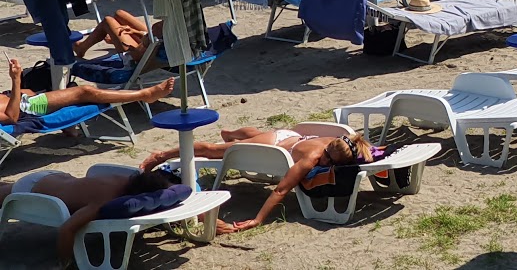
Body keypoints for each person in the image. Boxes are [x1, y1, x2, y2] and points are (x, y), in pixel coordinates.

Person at [141, 127, 374, 231]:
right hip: (274, 147)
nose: (326, 164)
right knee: (214, 150)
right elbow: (282, 190)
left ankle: (234, 133)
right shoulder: (313, 158)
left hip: (289, 137)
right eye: (327, 160)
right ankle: (161, 154)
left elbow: (369, 151)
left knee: (251, 137)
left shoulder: (342, 142)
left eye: (331, 163)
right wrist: (258, 219)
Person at [0, 168, 235, 259]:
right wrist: (65, 262)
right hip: (32, 189)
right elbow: (67, 229)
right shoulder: (103, 199)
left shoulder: (128, 177)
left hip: (57, 178)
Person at [2, 59, 173, 127]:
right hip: (28, 107)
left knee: (48, 79)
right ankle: (145, 95)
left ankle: (69, 130)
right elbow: (11, 118)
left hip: (19, 97)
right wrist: (16, 80)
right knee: (84, 91)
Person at [73, 10, 160, 62]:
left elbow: (152, 40)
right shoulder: (168, 24)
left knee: (108, 21)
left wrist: (136, 33)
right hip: (152, 43)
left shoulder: (161, 27)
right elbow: (155, 37)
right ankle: (116, 39)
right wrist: (136, 32)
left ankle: (81, 48)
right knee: (120, 14)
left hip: (140, 54)